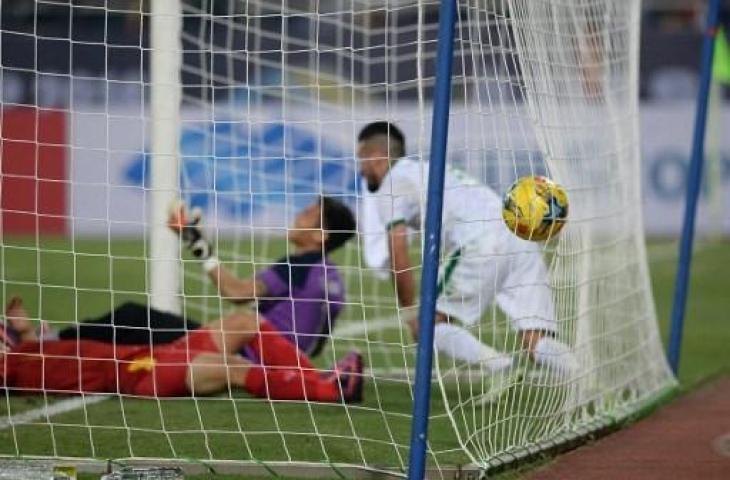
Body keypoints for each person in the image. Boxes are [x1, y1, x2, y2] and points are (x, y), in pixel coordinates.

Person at [357, 121, 577, 382]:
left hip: (480, 242)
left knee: (428, 326)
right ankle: (584, 375)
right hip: (519, 237)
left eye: (360, 159)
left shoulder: (392, 185)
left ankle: (497, 365)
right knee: (535, 340)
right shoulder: (427, 170)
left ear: (376, 156)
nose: (360, 169)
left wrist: (408, 312)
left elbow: (399, 254)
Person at [44, 197, 356, 361]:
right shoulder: (333, 279)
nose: (297, 217)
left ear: (320, 234)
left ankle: (46, 343)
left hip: (237, 354)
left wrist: (198, 245)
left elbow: (235, 292)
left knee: (130, 318)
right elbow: (316, 344)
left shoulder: (299, 266)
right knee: (143, 330)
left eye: (306, 214)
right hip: (277, 362)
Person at [1, 295, 363, 402]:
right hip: (140, 374)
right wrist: (22, 337)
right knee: (234, 367)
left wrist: (26, 331)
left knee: (244, 322)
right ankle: (329, 390)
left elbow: (36, 340)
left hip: (155, 353)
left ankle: (314, 377)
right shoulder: (14, 366)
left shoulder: (34, 349)